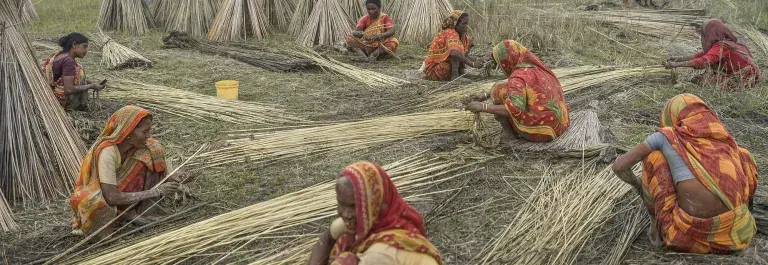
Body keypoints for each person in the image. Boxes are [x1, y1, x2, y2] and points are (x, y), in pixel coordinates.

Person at [612, 94, 758, 254]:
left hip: (687, 237)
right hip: (736, 234)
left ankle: (656, 229)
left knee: (653, 158)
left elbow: (619, 166)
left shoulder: (667, 136)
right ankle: (744, 214)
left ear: (672, 115)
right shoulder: (723, 138)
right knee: (743, 154)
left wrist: (637, 184)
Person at [69, 105, 181, 240]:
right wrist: (156, 191)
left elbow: (153, 167)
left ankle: (141, 210)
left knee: (153, 148)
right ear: (127, 132)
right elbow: (111, 197)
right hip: (106, 197)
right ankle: (126, 214)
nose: (148, 135)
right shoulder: (107, 153)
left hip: (121, 192)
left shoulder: (136, 147)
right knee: (89, 202)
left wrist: (169, 177)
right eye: (144, 132)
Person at [308, 162, 442, 265]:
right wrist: (329, 235)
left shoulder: (379, 255)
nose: (346, 214)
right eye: (341, 204)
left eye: (354, 206)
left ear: (375, 204)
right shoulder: (390, 219)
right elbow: (325, 240)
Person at [464, 40, 570, 143]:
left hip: (542, 131)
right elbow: (515, 86)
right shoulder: (537, 68)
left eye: (499, 62)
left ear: (507, 60)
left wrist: (483, 107)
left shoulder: (517, 77)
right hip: (560, 123)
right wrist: (486, 95)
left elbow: (514, 109)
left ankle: (509, 135)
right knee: (500, 87)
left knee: (498, 91)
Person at [663, 19, 760, 89]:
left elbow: (704, 61)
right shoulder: (725, 42)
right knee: (704, 77)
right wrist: (677, 59)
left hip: (744, 78)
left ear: (711, 32)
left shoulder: (723, 45)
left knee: (699, 79)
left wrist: (676, 65)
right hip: (744, 74)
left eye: (705, 33)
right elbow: (701, 55)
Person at [42, 32, 106, 111]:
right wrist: (91, 86)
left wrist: (91, 82)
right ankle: (83, 105)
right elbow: (68, 89)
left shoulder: (60, 55)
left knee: (80, 73)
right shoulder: (68, 61)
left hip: (52, 96)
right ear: (74, 45)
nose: (86, 50)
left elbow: (65, 79)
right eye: (84, 47)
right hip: (62, 102)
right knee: (80, 69)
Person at [422, 10, 483, 81]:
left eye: (467, 24)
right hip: (435, 70)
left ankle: (460, 73)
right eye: (464, 24)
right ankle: (455, 76)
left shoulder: (464, 36)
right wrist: (472, 64)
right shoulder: (450, 33)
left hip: (445, 68)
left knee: (458, 54)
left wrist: (479, 60)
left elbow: (464, 56)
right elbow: (454, 53)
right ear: (455, 24)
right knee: (455, 52)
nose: (466, 26)